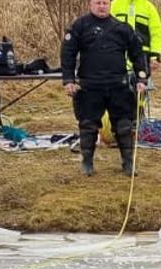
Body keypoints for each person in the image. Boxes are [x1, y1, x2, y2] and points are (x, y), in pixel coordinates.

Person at [62, 0, 150, 177]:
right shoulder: (80, 26)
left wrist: (142, 78)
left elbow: (137, 52)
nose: (101, 7)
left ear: (110, 5)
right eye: (98, 3)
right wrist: (69, 80)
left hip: (118, 85)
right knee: (88, 125)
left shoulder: (121, 28)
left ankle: (128, 163)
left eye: (105, 3)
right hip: (89, 85)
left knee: (124, 125)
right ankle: (87, 162)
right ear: (90, 4)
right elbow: (68, 53)